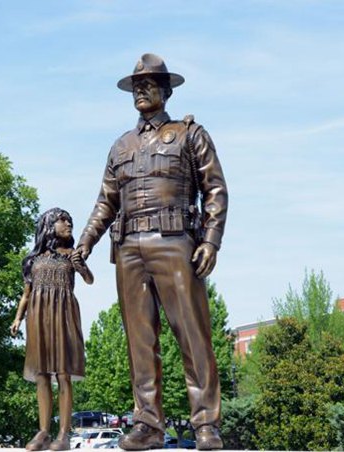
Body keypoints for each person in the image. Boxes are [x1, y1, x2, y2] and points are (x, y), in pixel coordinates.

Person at [74, 53, 228, 450]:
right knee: (139, 341)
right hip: (128, 250)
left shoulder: (189, 134)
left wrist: (211, 240)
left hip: (175, 242)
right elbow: (105, 202)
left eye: (149, 84)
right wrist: (86, 242)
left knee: (193, 335)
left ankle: (206, 423)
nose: (141, 90)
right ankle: (147, 423)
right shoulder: (120, 145)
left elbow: (215, 190)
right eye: (136, 85)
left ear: (165, 90)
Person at [11, 207, 93, 451]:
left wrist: (81, 265)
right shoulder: (32, 260)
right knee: (41, 373)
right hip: (38, 315)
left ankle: (64, 433)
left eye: (70, 220)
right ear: (49, 225)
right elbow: (26, 295)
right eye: (63, 220)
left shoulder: (72, 255)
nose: (68, 224)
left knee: (63, 372)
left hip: (64, 314)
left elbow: (89, 280)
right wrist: (17, 319)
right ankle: (44, 431)